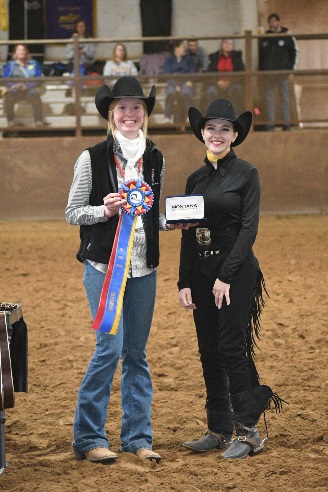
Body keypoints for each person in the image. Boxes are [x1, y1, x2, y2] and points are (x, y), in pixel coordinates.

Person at [65, 76, 186, 465]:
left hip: (144, 269)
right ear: (111, 114)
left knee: (137, 353)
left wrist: (175, 222)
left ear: (145, 114)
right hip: (103, 266)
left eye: (137, 107)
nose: (130, 114)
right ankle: (88, 437)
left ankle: (137, 437)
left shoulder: (156, 158)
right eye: (122, 107)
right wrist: (106, 210)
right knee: (109, 349)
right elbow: (72, 213)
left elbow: (151, 216)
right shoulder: (91, 158)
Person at [178, 99, 283, 459]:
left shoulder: (246, 174)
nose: (217, 135)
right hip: (203, 273)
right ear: (202, 134)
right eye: (211, 129)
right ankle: (219, 428)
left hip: (236, 273)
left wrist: (225, 276)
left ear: (235, 135)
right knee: (209, 351)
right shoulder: (195, 178)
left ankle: (249, 433)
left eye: (225, 129)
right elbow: (186, 233)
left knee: (231, 347)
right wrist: (184, 281)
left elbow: (249, 229)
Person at [258, 13, 298, 131]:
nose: (272, 24)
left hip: (283, 73)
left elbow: (293, 54)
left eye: (274, 21)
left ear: (279, 22)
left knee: (284, 98)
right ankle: (270, 124)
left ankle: (286, 124)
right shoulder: (266, 37)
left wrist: (290, 70)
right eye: (270, 22)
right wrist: (262, 71)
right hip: (269, 74)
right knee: (269, 99)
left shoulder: (287, 36)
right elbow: (261, 55)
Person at [2, 44, 45, 128]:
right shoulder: (10, 65)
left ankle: (38, 120)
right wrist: (14, 85)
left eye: (23, 50)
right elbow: (5, 79)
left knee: (35, 94)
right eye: (19, 50)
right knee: (9, 94)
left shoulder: (34, 63)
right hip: (15, 89)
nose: (21, 52)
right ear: (15, 54)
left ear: (26, 52)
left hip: (30, 88)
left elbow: (39, 78)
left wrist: (28, 86)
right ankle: (10, 120)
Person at [162, 40, 197, 129]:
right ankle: (167, 117)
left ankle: (190, 116)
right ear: (176, 49)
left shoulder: (189, 59)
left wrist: (189, 81)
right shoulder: (169, 60)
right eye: (182, 47)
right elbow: (166, 74)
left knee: (186, 92)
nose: (184, 49)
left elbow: (193, 72)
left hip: (186, 83)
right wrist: (175, 85)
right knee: (170, 93)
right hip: (173, 84)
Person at [205, 38, 245, 114]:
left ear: (232, 46)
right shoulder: (214, 57)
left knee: (236, 89)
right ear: (221, 44)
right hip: (217, 84)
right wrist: (217, 82)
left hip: (232, 84)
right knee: (211, 91)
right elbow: (209, 74)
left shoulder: (237, 57)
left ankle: (234, 117)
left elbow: (241, 73)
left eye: (230, 43)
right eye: (225, 42)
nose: (227, 45)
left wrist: (229, 82)